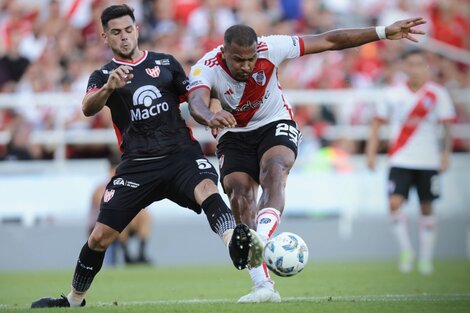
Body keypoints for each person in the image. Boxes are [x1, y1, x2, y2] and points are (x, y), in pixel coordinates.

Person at [31, 4, 263, 308]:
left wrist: (216, 112)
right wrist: (108, 88)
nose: (124, 37)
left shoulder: (165, 63)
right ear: (105, 36)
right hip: (137, 166)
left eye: (128, 30)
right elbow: (87, 107)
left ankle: (234, 243)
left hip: (180, 155)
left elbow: (197, 96)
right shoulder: (103, 74)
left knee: (207, 189)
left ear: (137, 29)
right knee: (100, 237)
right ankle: (74, 300)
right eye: (116, 32)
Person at [187, 20, 426, 302]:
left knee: (274, 170)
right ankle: (263, 286)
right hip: (234, 133)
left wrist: (382, 32)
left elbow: (329, 41)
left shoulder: (270, 47)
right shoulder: (206, 66)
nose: (247, 66)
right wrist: (210, 115)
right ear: (224, 52)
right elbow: (196, 102)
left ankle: (261, 237)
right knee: (239, 195)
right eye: (238, 60)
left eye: (251, 59)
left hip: (273, 122)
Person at [366, 49, 455, 275]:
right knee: (394, 203)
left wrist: (446, 154)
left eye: (419, 64)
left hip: (428, 160)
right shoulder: (392, 94)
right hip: (400, 158)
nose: (415, 68)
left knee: (427, 206)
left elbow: (446, 127)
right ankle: (406, 251)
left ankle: (426, 258)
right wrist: (371, 153)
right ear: (404, 67)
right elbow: (377, 124)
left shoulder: (438, 94)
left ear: (426, 66)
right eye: (411, 64)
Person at [88, 156, 152, 265]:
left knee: (144, 215)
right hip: (99, 227)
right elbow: (106, 210)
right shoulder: (101, 188)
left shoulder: (127, 187)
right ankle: (127, 256)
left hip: (120, 224)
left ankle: (141, 253)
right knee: (118, 217)